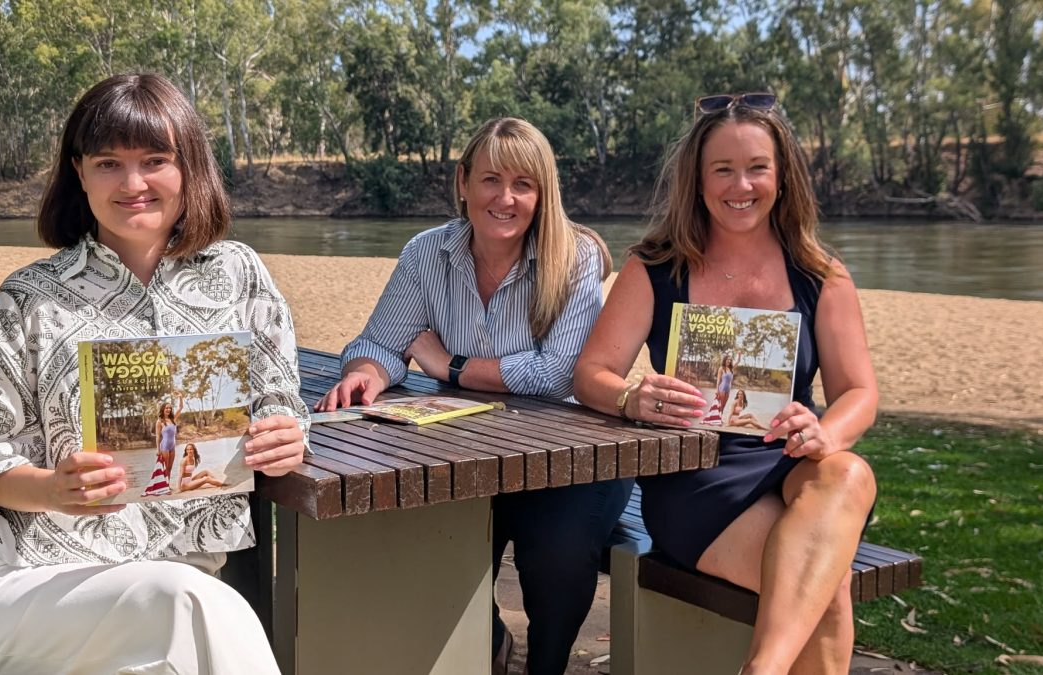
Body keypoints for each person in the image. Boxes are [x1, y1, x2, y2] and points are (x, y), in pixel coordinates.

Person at [0, 73, 309, 675]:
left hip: (182, 580)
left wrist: (288, 434)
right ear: (78, 172)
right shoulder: (28, 300)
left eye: (155, 160)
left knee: (190, 609)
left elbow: (280, 402)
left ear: (190, 168)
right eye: (109, 162)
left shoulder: (239, 276)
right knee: (193, 607)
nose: (133, 183)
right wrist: (54, 489)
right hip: (27, 583)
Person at [573, 93, 878, 674]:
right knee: (826, 593)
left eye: (757, 167)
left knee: (850, 470)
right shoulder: (655, 266)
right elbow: (590, 373)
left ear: (782, 176)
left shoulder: (820, 274)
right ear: (698, 180)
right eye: (724, 169)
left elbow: (860, 393)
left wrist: (826, 431)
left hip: (793, 462)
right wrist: (630, 396)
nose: (742, 185)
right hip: (696, 477)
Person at [315, 117, 632, 675]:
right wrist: (367, 372)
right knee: (428, 541)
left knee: (554, 557)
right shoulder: (426, 254)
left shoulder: (576, 257)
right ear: (462, 181)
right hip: (471, 451)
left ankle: (548, 666)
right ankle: (488, 643)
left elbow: (557, 374)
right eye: (490, 179)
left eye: (522, 184)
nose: (504, 198)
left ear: (543, 192)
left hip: (576, 456)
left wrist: (449, 366)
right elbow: (381, 341)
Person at [144, 391, 184, 497]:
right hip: (164, 446)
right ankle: (165, 488)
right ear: (163, 409)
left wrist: (180, 397)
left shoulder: (173, 419)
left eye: (170, 408)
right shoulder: (159, 421)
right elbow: (158, 437)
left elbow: (180, 408)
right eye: (166, 408)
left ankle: (167, 485)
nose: (168, 409)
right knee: (165, 468)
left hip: (172, 446)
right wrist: (158, 450)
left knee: (170, 467)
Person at [702, 352, 740, 426]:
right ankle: (718, 420)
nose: (729, 361)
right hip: (722, 388)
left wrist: (739, 355)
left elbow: (738, 361)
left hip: (728, 389)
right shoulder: (721, 368)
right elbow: (718, 380)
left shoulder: (731, 369)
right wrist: (717, 390)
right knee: (720, 405)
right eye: (727, 360)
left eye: (730, 360)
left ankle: (719, 419)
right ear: (725, 360)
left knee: (724, 405)